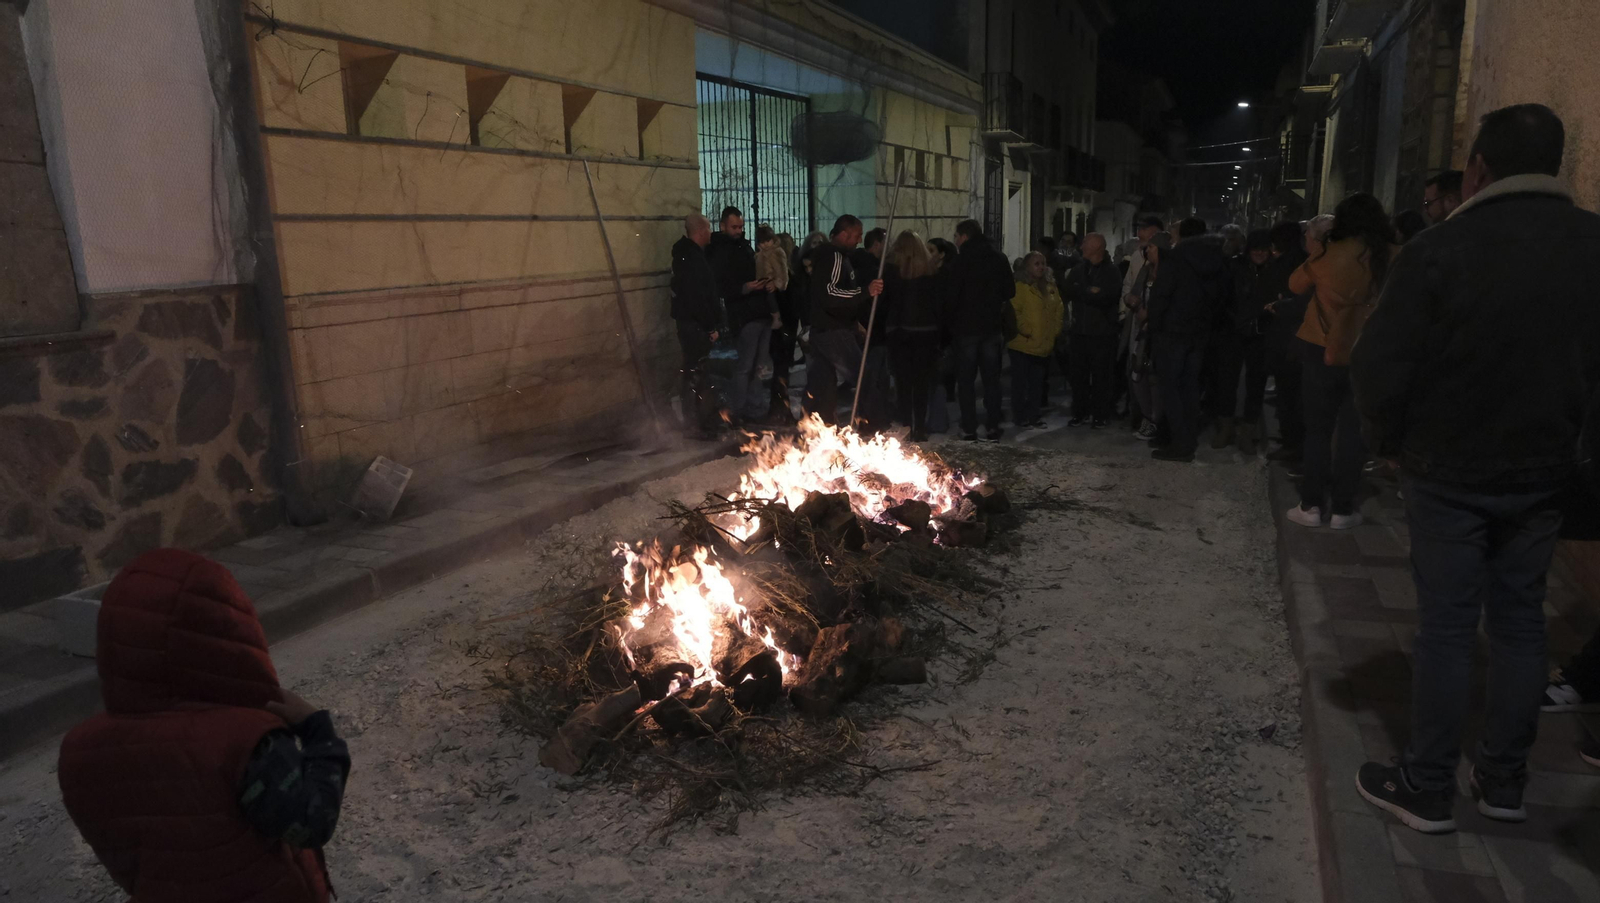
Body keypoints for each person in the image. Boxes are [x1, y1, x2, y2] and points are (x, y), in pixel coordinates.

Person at [1351, 103, 1600, 832]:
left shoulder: (1440, 250)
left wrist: (1388, 439)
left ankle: (1427, 784)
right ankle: (1503, 780)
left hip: (1450, 471)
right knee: (1521, 623)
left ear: (1478, 169)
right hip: (1546, 471)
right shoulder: (1593, 245)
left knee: (1450, 626)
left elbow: (1379, 363)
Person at [59, 549, 350, 902]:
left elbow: (123, 857)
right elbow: (311, 822)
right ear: (227, 632)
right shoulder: (245, 742)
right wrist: (318, 733)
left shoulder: (82, 751)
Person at [1286, 193, 1395, 529]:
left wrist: (1318, 250)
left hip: (1322, 348)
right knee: (1353, 430)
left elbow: (1295, 285)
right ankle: (1344, 509)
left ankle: (1312, 505)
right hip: (1370, 351)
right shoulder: (1394, 255)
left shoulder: (1330, 255)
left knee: (1318, 430)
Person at [1146, 218, 1230, 462]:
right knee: (1190, 387)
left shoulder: (1177, 258)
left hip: (1172, 332)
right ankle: (1188, 439)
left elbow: (1162, 294)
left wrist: (1155, 324)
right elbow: (1222, 296)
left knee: (1171, 389)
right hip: (1200, 332)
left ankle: (1180, 444)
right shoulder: (1218, 258)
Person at [804, 214, 883, 427]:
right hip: (833, 330)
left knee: (823, 382)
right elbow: (831, 293)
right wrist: (864, 291)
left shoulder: (831, 257)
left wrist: (854, 322)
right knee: (861, 377)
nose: (859, 240)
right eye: (857, 235)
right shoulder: (835, 257)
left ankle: (820, 425)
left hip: (826, 328)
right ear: (844, 234)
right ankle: (872, 426)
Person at [949, 219, 1015, 441]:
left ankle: (969, 427)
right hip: (991, 327)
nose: (956, 241)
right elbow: (1010, 291)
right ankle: (993, 426)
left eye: (957, 237)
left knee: (966, 381)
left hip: (966, 328)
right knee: (991, 380)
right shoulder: (998, 259)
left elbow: (952, 296)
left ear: (964, 236)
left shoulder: (960, 261)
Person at [708, 206, 774, 425]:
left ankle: (754, 408)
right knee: (745, 366)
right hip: (744, 315)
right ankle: (737, 410)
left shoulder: (743, 246)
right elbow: (721, 286)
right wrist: (745, 287)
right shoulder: (720, 251)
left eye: (741, 227)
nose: (739, 231)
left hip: (759, 311)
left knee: (757, 367)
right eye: (734, 227)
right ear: (723, 226)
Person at [1262, 219, 1319, 464]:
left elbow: (1290, 298)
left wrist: (1278, 305)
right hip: (1305, 337)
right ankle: (1297, 445)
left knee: (1289, 395)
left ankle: (1292, 445)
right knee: (1297, 395)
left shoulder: (1288, 264)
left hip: (1288, 336)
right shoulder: (1309, 261)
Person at [1213, 230, 1274, 453]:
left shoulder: (1273, 269)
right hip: (1233, 331)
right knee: (1227, 381)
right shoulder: (1234, 266)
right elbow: (1222, 296)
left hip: (1260, 333)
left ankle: (1247, 431)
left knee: (1256, 383)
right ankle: (1226, 428)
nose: (1259, 252)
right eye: (1255, 248)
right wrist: (1234, 319)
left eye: (1264, 248)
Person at [883, 231, 945, 441]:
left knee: (903, 382)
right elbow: (938, 305)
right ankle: (920, 426)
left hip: (899, 331)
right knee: (921, 383)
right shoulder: (931, 272)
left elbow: (886, 302)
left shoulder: (891, 271)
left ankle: (907, 424)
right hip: (926, 331)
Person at [670, 213, 723, 439]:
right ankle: (697, 423)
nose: (711, 233)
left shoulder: (690, 256)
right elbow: (697, 296)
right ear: (700, 231)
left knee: (698, 374)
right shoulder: (690, 259)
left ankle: (703, 421)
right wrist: (710, 326)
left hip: (693, 324)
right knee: (696, 374)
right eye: (709, 229)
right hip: (695, 326)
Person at [1061, 233, 1122, 428]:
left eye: (1085, 243)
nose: (1081, 246)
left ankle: (1100, 414)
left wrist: (1084, 291)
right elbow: (1068, 290)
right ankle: (1079, 412)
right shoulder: (1079, 269)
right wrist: (1090, 291)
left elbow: (1108, 297)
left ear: (1096, 247)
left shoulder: (1111, 272)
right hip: (1079, 332)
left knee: (1101, 377)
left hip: (1102, 334)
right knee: (1077, 376)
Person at [1008, 251, 1063, 430]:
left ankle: (1034, 415)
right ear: (1027, 267)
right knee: (1020, 383)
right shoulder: (1020, 287)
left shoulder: (1050, 287)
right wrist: (1027, 330)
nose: (1040, 267)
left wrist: (1054, 330)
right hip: (1023, 344)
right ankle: (1020, 415)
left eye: (1042, 263)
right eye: (1036, 264)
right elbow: (1014, 311)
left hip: (1043, 343)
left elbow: (1058, 309)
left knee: (1036, 384)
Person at [1125, 232, 1172, 441]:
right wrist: (1132, 300)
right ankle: (1147, 415)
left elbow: (1170, 304)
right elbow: (1134, 292)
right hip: (1142, 332)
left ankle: (1156, 420)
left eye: (1151, 247)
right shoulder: (1145, 271)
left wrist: (1150, 315)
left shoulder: (1170, 274)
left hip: (1161, 333)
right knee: (1138, 375)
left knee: (1156, 378)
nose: (1147, 251)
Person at [757, 226, 795, 421]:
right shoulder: (784, 273)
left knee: (780, 367)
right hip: (783, 325)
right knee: (781, 368)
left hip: (782, 324)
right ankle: (780, 408)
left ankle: (779, 407)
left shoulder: (785, 275)